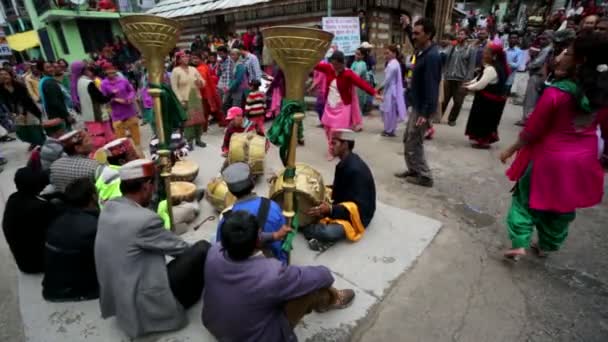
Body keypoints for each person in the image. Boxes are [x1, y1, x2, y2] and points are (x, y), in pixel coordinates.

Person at [499, 31, 608, 261]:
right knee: (563, 205)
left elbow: (533, 130)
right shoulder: (602, 94)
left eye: (567, 52)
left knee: (524, 199)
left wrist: (511, 148)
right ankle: (548, 243)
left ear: (580, 60)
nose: (561, 56)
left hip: (549, 156)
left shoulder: (558, 92)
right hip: (584, 159)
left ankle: (520, 242)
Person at [95, 159, 211, 338]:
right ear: (147, 186)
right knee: (202, 249)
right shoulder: (145, 220)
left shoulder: (109, 208)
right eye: (154, 185)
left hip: (119, 296)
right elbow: (181, 249)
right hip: (141, 303)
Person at [203, 210, 356, 341]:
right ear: (256, 240)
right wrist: (322, 274)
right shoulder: (271, 273)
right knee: (313, 288)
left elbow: (246, 240)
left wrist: (274, 235)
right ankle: (332, 299)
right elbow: (323, 276)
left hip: (215, 326)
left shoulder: (214, 251)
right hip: (253, 338)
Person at [303, 129, 376, 251]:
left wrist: (330, 209)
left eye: (334, 143)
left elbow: (359, 207)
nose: (331, 147)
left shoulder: (355, 169)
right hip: (345, 206)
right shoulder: (346, 163)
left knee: (328, 232)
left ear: (345, 145)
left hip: (359, 215)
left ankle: (307, 228)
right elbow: (340, 190)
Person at [395, 18, 442, 187]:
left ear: (428, 35)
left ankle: (425, 176)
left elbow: (432, 87)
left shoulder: (432, 57)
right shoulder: (422, 49)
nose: (413, 36)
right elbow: (413, 37)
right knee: (408, 138)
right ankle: (413, 169)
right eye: (413, 33)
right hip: (417, 105)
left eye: (417, 33)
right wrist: (408, 27)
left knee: (414, 140)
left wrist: (425, 113)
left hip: (423, 107)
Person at [216, 162, 288, 263]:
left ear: (230, 191)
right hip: (276, 263)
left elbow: (221, 248)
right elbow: (285, 236)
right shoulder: (273, 206)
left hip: (242, 269)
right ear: (253, 183)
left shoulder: (227, 220)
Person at [43, 178, 100, 302]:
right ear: (93, 197)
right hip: (77, 290)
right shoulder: (94, 225)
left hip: (52, 287)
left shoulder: (58, 219)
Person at [314, 52, 378, 160]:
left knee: (337, 131)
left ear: (341, 63)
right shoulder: (328, 68)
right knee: (328, 129)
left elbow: (361, 83)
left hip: (342, 106)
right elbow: (313, 64)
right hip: (330, 105)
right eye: (332, 63)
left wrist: (374, 93)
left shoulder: (348, 74)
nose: (333, 66)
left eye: (336, 64)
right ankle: (332, 148)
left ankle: (335, 150)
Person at [2, 166, 58, 273]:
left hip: (22, 260)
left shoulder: (13, 198)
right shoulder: (42, 207)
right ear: (37, 186)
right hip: (39, 263)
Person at [464, 43, 510, 148]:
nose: (484, 55)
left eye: (486, 53)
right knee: (485, 120)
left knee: (483, 121)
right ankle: (481, 140)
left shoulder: (492, 69)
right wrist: (470, 83)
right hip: (489, 100)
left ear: (493, 55)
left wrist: (468, 87)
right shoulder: (493, 66)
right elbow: (479, 78)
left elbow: (481, 84)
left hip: (487, 101)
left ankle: (483, 141)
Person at [73, 62, 114, 150]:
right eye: (89, 69)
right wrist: (112, 94)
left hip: (88, 116)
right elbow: (101, 99)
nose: (91, 72)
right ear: (85, 71)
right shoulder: (88, 83)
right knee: (104, 140)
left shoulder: (77, 82)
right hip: (97, 115)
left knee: (96, 140)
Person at [0, 68, 45, 148]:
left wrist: (23, 113)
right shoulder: (1, 89)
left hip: (30, 111)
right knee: (22, 133)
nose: (4, 76)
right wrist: (12, 113)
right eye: (1, 75)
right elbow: (5, 103)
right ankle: (33, 142)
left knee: (35, 130)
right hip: (16, 114)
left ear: (10, 75)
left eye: (5, 74)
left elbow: (26, 101)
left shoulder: (19, 85)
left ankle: (42, 145)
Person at [170, 51, 206, 149]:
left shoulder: (193, 69)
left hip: (196, 96)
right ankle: (189, 141)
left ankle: (198, 139)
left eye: (187, 57)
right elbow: (174, 88)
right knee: (188, 121)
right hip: (184, 99)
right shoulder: (175, 71)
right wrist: (180, 100)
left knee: (199, 119)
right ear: (178, 59)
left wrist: (200, 82)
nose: (186, 59)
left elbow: (203, 81)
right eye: (183, 57)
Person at [442, 29, 476, 126]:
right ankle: (439, 116)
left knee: (458, 102)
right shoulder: (452, 47)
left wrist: (467, 81)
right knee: (444, 100)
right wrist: (445, 74)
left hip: (461, 80)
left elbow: (471, 67)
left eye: (462, 34)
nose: (459, 36)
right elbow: (446, 61)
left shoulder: (470, 49)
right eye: (458, 34)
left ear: (466, 36)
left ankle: (452, 119)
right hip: (449, 78)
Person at [100, 63, 141, 146]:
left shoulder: (123, 80)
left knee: (136, 134)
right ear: (105, 72)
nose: (111, 74)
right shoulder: (104, 84)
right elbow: (104, 99)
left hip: (129, 110)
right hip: (117, 113)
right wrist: (114, 98)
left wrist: (130, 98)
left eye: (113, 72)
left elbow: (131, 90)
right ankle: (127, 151)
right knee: (121, 138)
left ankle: (139, 149)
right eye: (109, 72)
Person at [519, 30, 553, 126]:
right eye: (541, 38)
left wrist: (529, 65)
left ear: (550, 39)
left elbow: (537, 62)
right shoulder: (544, 49)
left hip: (538, 75)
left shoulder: (547, 49)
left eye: (544, 39)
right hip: (539, 75)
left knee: (531, 98)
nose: (541, 41)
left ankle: (526, 119)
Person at [191, 53, 226, 132]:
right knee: (213, 112)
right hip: (209, 92)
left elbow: (202, 82)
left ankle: (203, 129)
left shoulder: (201, 68)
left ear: (200, 59)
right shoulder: (203, 67)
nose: (194, 60)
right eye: (193, 59)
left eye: (196, 58)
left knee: (207, 112)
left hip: (205, 93)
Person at [377, 45, 407, 137]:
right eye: (385, 53)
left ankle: (388, 130)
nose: (386, 55)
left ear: (394, 54)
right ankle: (390, 129)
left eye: (388, 53)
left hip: (390, 90)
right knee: (391, 111)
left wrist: (378, 88)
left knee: (388, 111)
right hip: (392, 90)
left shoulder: (392, 65)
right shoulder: (394, 63)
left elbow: (387, 80)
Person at [39, 61, 72, 127]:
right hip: (58, 116)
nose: (51, 69)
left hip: (54, 114)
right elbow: (56, 101)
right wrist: (67, 115)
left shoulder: (44, 81)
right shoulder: (49, 83)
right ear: (42, 71)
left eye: (51, 67)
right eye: (47, 68)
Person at [350, 48, 371, 117]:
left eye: (358, 54)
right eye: (355, 54)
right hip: (353, 87)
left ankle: (358, 124)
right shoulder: (355, 63)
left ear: (363, 56)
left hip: (359, 89)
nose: (356, 56)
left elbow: (356, 75)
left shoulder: (362, 64)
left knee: (357, 107)